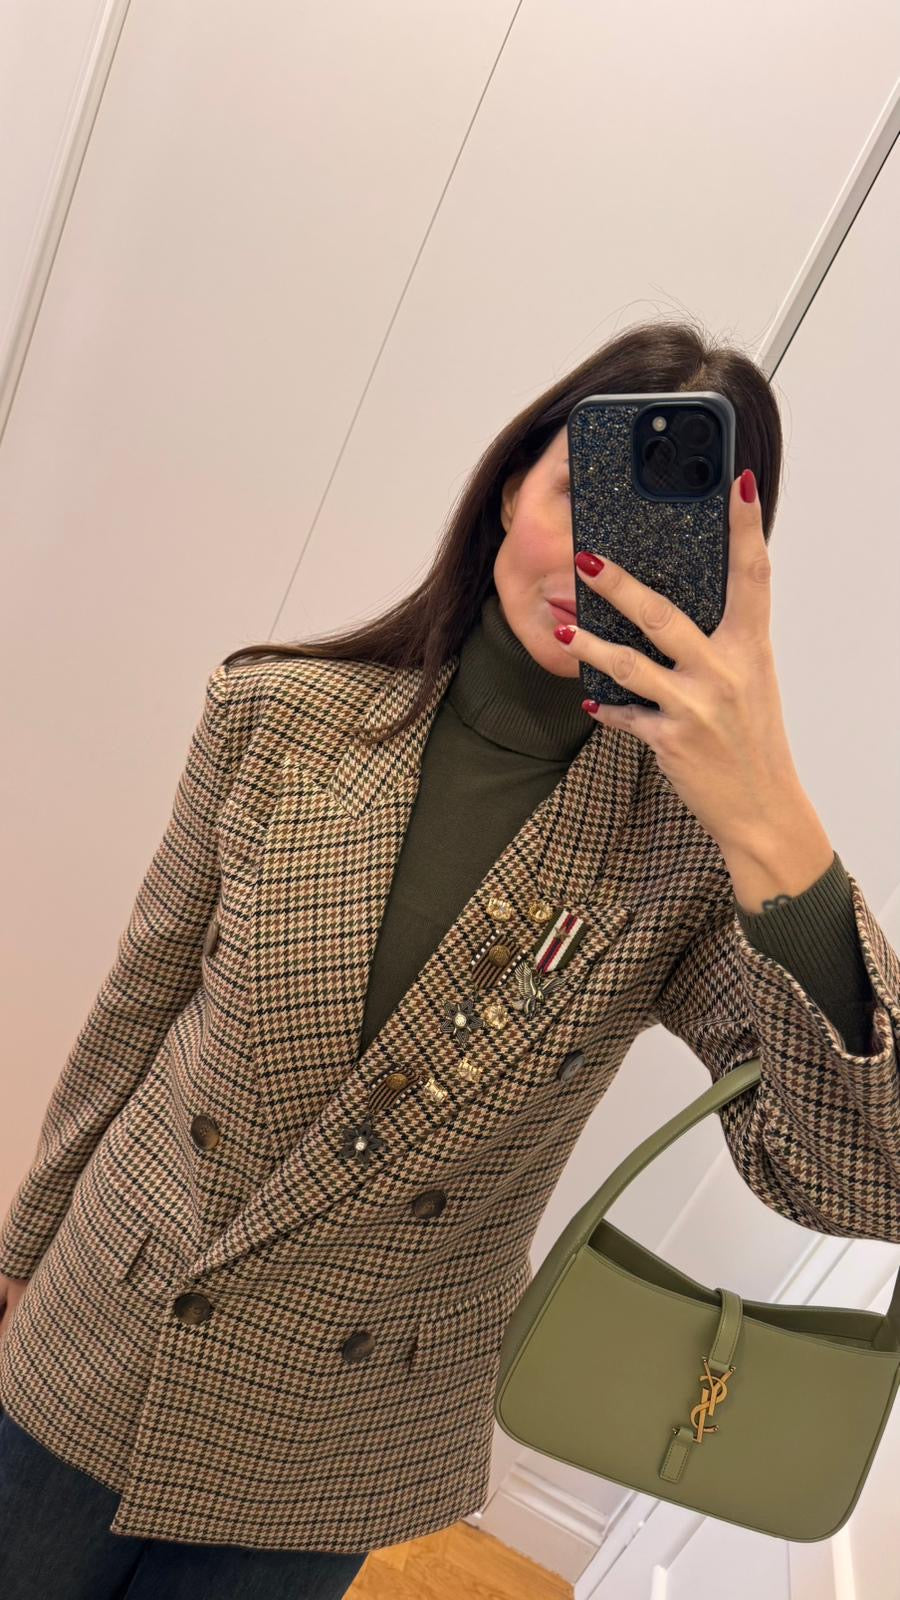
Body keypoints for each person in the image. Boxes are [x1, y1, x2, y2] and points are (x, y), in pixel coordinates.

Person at [1, 320, 896, 1596]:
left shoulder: (690, 858)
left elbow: (870, 1179)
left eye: (665, 539)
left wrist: (771, 808)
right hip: (108, 1320)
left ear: (724, 583)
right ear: (506, 493)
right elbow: (137, 1009)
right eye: (579, 495)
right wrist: (19, 1253)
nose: (597, 561)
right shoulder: (276, 712)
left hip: (339, 1431)